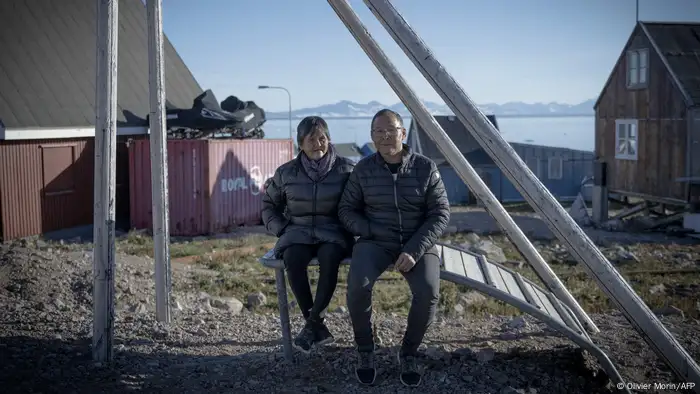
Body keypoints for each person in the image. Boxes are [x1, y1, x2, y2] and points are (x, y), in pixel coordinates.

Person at [338, 109, 450, 387]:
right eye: (379, 131)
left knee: (427, 292)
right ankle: (366, 351)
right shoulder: (363, 169)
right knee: (357, 288)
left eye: (392, 130)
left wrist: (414, 249)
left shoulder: (426, 168)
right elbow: (346, 210)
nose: (386, 136)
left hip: (417, 243)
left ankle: (409, 353)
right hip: (375, 242)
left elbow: (440, 213)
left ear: (403, 133)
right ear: (372, 137)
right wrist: (370, 231)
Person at [262, 116, 356, 353]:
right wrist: (281, 229)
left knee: (329, 259)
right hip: (297, 232)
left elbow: (360, 203)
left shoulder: (346, 169)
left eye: (322, 138)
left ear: (329, 139)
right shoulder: (286, 173)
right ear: (300, 143)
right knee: (292, 260)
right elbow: (269, 205)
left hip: (333, 233)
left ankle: (312, 326)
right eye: (311, 139)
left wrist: (352, 228)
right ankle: (316, 327)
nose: (318, 144)